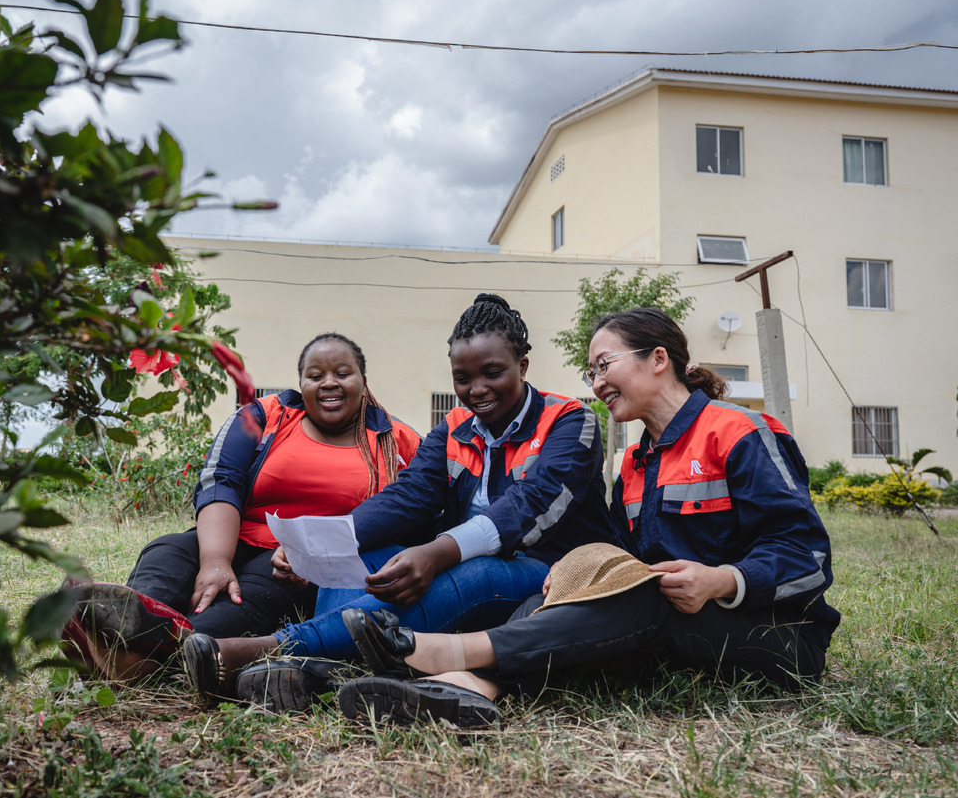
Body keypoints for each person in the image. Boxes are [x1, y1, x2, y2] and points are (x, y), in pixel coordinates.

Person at [335, 307, 842, 728]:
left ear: (658, 359)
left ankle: (442, 654)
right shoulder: (636, 463)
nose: (597, 383)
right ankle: (473, 688)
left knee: (643, 599)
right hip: (678, 629)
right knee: (555, 594)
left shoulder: (738, 431)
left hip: (778, 633)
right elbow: (631, 558)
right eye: (591, 372)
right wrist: (579, 574)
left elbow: (809, 556)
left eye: (605, 365)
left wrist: (723, 579)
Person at [182, 294, 611, 709]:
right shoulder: (455, 427)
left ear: (523, 366)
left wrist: (437, 553)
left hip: (548, 571)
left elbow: (527, 506)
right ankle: (323, 671)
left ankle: (273, 649)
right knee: (358, 556)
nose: (477, 389)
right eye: (463, 378)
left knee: (472, 573)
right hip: (456, 558)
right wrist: (323, 541)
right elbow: (408, 497)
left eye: (493, 373)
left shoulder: (570, 421)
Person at [62, 332, 421, 682]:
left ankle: (127, 659)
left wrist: (312, 554)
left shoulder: (397, 440)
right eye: (315, 376)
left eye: (342, 374)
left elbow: (417, 505)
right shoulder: (266, 416)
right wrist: (215, 560)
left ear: (363, 381)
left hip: (296, 563)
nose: (328, 383)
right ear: (301, 383)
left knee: (245, 601)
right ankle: (116, 628)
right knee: (166, 552)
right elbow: (220, 479)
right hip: (231, 535)